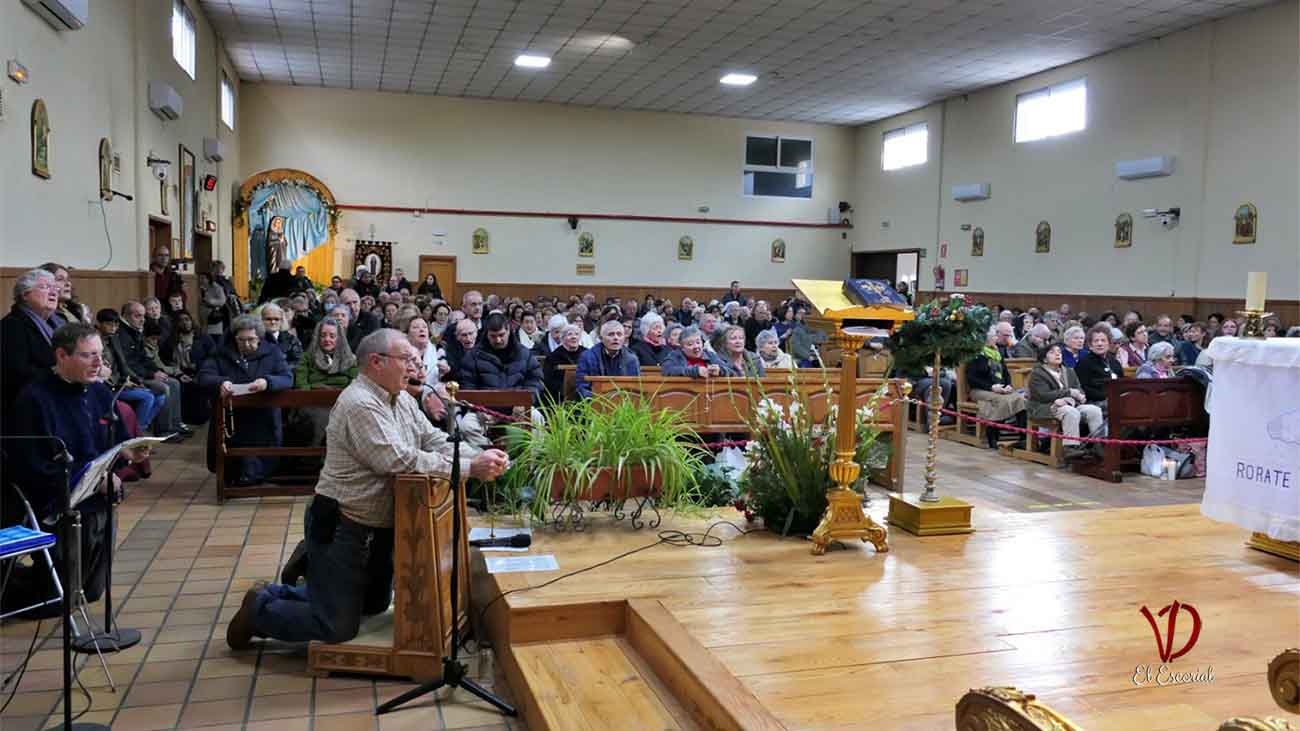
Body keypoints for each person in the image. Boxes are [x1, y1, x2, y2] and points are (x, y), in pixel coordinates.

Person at [225, 330, 510, 648]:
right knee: (336, 627)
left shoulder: (399, 396)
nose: (414, 368)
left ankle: (287, 589)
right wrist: (470, 468)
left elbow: (431, 438)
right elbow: (397, 460)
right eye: (406, 360)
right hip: (343, 523)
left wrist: (476, 455)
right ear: (376, 362)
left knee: (373, 604)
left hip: (380, 523)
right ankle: (260, 611)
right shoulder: (359, 403)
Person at [4, 323, 150, 617]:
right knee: (62, 598)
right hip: (58, 501)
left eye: (99, 354)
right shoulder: (34, 398)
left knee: (92, 592)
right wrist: (94, 480)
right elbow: (31, 466)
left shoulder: (97, 392)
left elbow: (114, 442)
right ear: (61, 355)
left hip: (99, 498)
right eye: (87, 356)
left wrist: (126, 454)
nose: (99, 363)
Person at [198, 315, 294, 486]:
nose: (247, 344)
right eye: (241, 340)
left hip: (262, 418)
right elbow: (204, 376)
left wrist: (267, 382)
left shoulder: (272, 352)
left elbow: (287, 378)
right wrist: (221, 382)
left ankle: (255, 474)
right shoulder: (221, 353)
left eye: (251, 340)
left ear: (260, 337)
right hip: (232, 419)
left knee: (259, 462)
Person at [2, 269, 66, 428]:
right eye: (45, 287)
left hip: (61, 394)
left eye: (55, 288)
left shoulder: (59, 324)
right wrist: (58, 371)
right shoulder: (11, 326)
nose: (53, 292)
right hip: (28, 406)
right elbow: (16, 373)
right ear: (24, 295)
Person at [117, 300, 189, 437]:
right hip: (132, 377)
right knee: (164, 387)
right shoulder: (123, 335)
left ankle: (175, 424)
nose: (142, 320)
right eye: (138, 316)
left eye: (143, 316)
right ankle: (163, 430)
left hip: (142, 373)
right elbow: (128, 364)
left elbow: (144, 358)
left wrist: (156, 371)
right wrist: (151, 375)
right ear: (126, 316)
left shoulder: (134, 330)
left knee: (174, 383)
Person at [1026, 343, 1103, 459]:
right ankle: (1070, 448)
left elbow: (1079, 389)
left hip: (1070, 404)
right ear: (1044, 359)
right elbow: (1042, 396)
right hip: (1043, 407)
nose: (1057, 354)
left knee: (1094, 410)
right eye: (1052, 352)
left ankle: (1097, 446)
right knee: (1070, 412)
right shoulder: (1037, 373)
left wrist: (1080, 396)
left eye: (1059, 352)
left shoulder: (1069, 371)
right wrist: (1068, 394)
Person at [95, 308, 163, 433]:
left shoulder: (114, 338)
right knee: (147, 397)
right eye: (109, 324)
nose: (113, 327)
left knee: (160, 396)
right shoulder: (94, 341)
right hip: (109, 386)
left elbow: (123, 365)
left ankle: (139, 429)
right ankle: (135, 436)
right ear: (99, 323)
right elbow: (100, 372)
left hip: (121, 382)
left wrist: (137, 380)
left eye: (115, 324)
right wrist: (122, 383)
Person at [459, 313, 544, 402]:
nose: (498, 340)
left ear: (508, 331)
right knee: (468, 417)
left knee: (538, 416)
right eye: (493, 336)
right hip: (482, 409)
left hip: (519, 407)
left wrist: (524, 402)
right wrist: (478, 408)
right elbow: (468, 386)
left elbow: (535, 381)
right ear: (487, 334)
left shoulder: (524, 354)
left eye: (501, 335)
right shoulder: (473, 356)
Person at [965, 325, 1027, 448]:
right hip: (980, 390)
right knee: (1003, 400)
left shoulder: (997, 353)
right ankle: (993, 436)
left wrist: (1008, 385)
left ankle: (1023, 437)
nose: (996, 338)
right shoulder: (976, 354)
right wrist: (992, 387)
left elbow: (1006, 373)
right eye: (994, 336)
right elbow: (972, 378)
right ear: (986, 338)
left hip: (1000, 389)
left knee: (1021, 399)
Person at [575, 320, 640, 398]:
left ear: (624, 338)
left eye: (619, 334)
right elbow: (582, 387)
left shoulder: (631, 358)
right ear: (601, 338)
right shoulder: (588, 357)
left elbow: (635, 388)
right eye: (611, 334)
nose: (616, 338)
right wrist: (600, 401)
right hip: (595, 403)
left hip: (624, 405)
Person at [1073, 325, 1124, 407]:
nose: (1100, 344)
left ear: (1109, 343)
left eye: (1103, 340)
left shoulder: (1114, 362)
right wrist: (1108, 396)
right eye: (1096, 341)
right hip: (1095, 403)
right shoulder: (1084, 363)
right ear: (1090, 345)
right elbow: (1084, 389)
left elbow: (1122, 382)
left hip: (1117, 399)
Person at [542, 323, 587, 403]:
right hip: (559, 398)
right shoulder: (553, 357)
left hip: (584, 395)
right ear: (562, 338)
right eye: (569, 334)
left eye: (576, 334)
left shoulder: (587, 354)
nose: (574, 337)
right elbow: (548, 380)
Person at [661, 326, 727, 378]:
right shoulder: (675, 355)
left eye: (698, 342)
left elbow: (731, 371)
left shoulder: (710, 355)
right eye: (690, 344)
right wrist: (695, 371)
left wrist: (720, 371)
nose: (696, 346)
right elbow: (666, 370)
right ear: (682, 348)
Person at [407, 316, 449, 389]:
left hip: (433, 393)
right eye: (416, 327)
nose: (421, 330)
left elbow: (446, 380)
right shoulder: (402, 352)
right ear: (408, 333)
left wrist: (445, 371)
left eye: (425, 327)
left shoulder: (439, 350)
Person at [261, 302, 304, 370]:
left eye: (276, 319)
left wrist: (281, 368)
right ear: (261, 320)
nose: (273, 322)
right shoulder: (256, 338)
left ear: (281, 321)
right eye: (268, 319)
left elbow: (299, 362)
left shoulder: (292, 340)